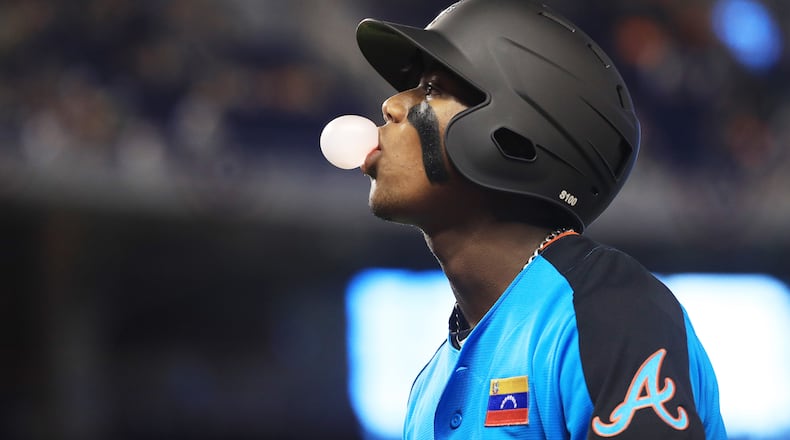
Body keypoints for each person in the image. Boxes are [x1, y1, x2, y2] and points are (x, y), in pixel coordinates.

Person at [352, 0, 727, 439]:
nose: (392, 105)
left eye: (432, 89)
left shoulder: (606, 309)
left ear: (515, 132)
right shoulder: (428, 385)